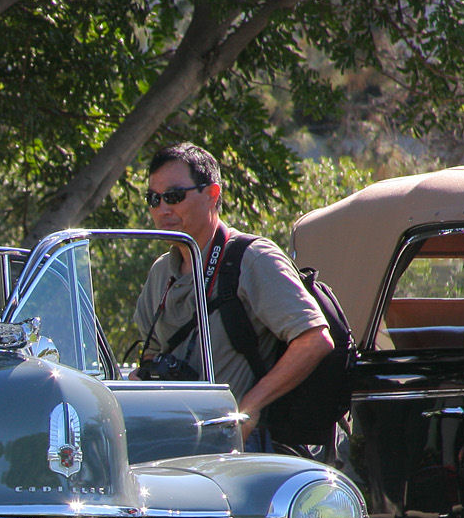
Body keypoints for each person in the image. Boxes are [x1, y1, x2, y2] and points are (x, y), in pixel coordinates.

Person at [133, 142, 334, 453]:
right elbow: (151, 354)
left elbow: (315, 339)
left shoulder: (251, 258)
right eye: (153, 199)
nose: (162, 209)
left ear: (212, 194)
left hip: (237, 444)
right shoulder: (161, 272)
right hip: (171, 440)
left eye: (173, 196)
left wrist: (246, 411)